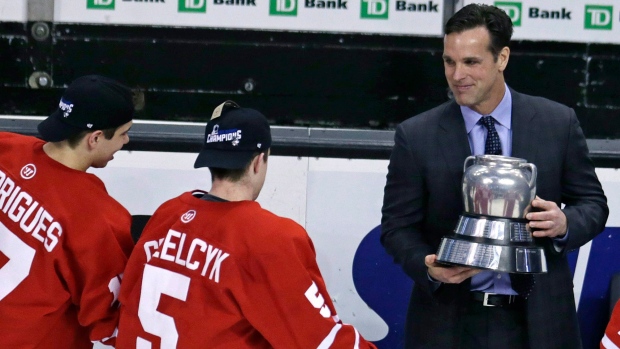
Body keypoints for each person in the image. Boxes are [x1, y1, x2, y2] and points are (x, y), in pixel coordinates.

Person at [380, 4, 608, 349]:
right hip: (447, 326)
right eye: (448, 61)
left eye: (471, 62)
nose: (457, 75)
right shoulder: (417, 135)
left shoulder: (557, 123)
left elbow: (593, 204)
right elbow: (397, 227)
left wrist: (564, 223)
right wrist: (427, 267)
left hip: (542, 323)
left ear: (502, 58)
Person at [116, 101, 377, 348]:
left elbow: (126, 301)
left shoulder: (168, 214)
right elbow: (320, 341)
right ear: (258, 161)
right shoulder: (268, 238)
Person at [0, 75, 136, 348]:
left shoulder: (5, 147)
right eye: (122, 132)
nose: (126, 140)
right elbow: (112, 321)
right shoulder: (99, 218)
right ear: (95, 138)